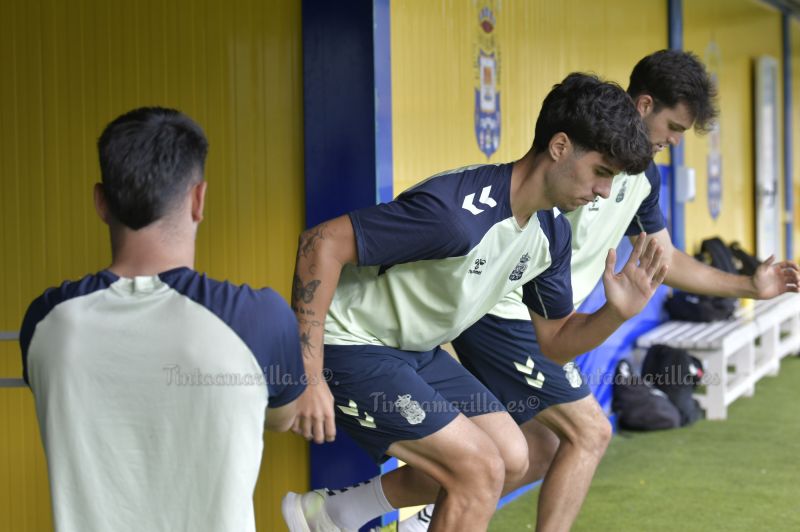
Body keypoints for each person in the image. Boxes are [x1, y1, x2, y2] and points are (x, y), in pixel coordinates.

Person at [396, 50, 800, 532]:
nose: (673, 141)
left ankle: (356, 510)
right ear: (645, 104)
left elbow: (663, 259)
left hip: (549, 322)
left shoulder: (644, 177)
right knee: (590, 431)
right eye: (673, 127)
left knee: (533, 451)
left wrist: (748, 287)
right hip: (507, 310)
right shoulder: (579, 159)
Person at [281, 73, 667, 532]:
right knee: (480, 468)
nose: (604, 192)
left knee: (513, 456)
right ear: (560, 147)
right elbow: (321, 243)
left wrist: (616, 312)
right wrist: (308, 374)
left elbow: (556, 343)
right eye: (601, 172)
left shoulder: (552, 232)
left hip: (413, 351)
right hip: (351, 343)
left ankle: (334, 514)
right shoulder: (456, 214)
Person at [19, 107, 306, 532]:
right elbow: (283, 417)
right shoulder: (261, 319)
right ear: (199, 199)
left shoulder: (46, 323)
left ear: (101, 202)